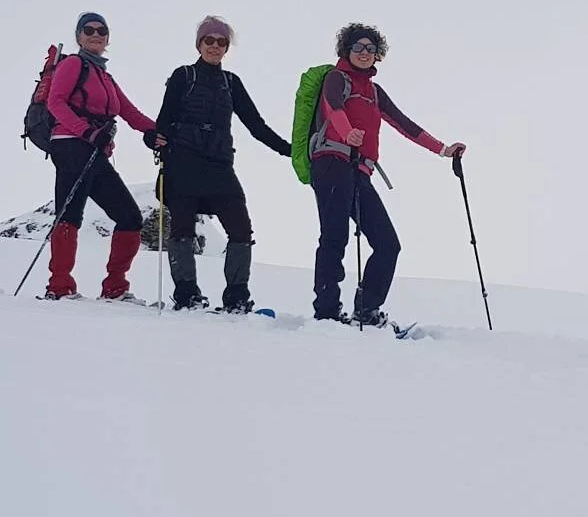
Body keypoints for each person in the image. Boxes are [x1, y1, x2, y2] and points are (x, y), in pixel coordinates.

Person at [309, 22, 465, 329]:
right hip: (331, 163)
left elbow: (404, 124)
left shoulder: (374, 92)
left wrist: (443, 150)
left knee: (387, 243)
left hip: (359, 170)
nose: (364, 53)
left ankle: (366, 309)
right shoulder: (336, 78)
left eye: (370, 49)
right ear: (347, 50)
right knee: (334, 236)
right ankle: (326, 312)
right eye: (358, 48)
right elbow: (333, 107)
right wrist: (347, 133)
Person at [153, 16, 293, 312]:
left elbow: (256, 125)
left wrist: (291, 151)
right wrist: (154, 138)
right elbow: (163, 120)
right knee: (182, 230)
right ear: (199, 44)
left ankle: (237, 297)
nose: (215, 46)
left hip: (219, 165)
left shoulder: (232, 83)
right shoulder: (183, 76)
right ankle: (187, 294)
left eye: (221, 42)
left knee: (241, 229)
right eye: (209, 41)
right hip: (183, 162)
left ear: (227, 47)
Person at [44, 12, 160, 302]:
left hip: (95, 151)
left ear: (107, 38)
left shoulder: (105, 77)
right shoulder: (73, 64)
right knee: (69, 213)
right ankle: (60, 287)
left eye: (102, 30)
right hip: (71, 145)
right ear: (79, 36)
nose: (96, 34)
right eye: (89, 29)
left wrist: (159, 133)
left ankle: (115, 287)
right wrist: (87, 132)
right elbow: (55, 102)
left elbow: (130, 112)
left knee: (130, 217)